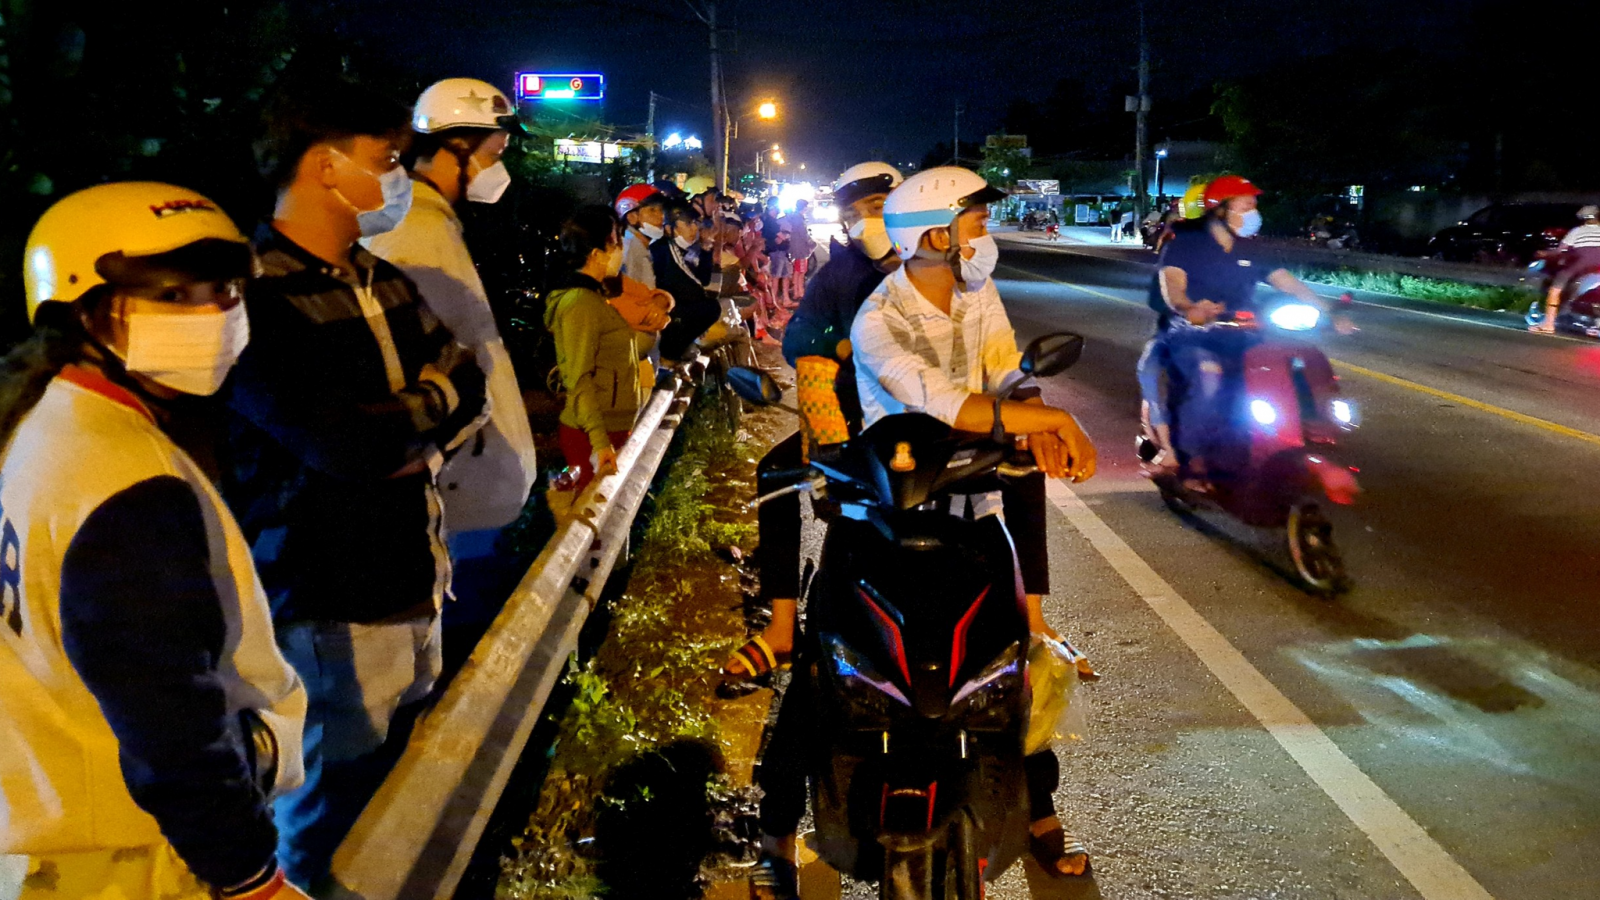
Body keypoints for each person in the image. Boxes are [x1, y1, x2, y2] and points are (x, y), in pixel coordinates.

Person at [753, 168, 1099, 893]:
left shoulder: (980, 297)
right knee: (824, 679)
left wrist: (1029, 410)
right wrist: (1048, 419)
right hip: (878, 507)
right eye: (975, 223)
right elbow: (928, 397)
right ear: (936, 235)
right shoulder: (872, 307)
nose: (985, 236)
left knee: (1005, 671)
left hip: (970, 511)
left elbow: (1002, 375)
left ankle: (1037, 807)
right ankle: (777, 834)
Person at [1, 182, 310, 900]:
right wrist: (251, 878)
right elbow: (172, 725)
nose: (215, 315)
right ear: (78, 309)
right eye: (175, 296)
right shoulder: (125, 481)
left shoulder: (46, 422)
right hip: (140, 860)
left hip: (59, 843)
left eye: (228, 291)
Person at [224, 79, 488, 889]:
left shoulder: (381, 278)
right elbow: (343, 443)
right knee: (325, 826)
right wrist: (416, 417)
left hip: (416, 576)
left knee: (395, 803)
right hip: (325, 606)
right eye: (386, 161)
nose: (397, 177)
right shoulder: (256, 296)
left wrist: (410, 419)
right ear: (325, 167)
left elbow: (466, 378)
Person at [722, 162, 903, 684]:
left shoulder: (938, 264)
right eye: (855, 215)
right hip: (851, 422)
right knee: (775, 478)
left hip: (934, 418)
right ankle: (783, 627)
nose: (867, 223)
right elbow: (800, 338)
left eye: (876, 210)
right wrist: (836, 344)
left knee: (1015, 477)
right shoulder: (839, 271)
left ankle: (1032, 619)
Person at [364, 77, 538, 546]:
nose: (497, 170)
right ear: (455, 146)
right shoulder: (416, 233)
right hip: (449, 501)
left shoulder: (430, 224)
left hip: (464, 495)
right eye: (493, 156)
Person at [1157, 174, 1344, 485]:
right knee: (1208, 375)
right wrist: (1190, 307)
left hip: (1243, 333)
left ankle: (1298, 438)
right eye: (1246, 204)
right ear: (1220, 209)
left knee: (1296, 364)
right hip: (1192, 333)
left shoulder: (1252, 249)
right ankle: (1191, 459)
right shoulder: (1187, 245)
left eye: (1254, 203)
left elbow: (1288, 282)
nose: (1254, 210)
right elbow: (1173, 287)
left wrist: (1330, 312)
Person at [544, 206, 652, 492]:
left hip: (608, 427)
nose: (620, 249)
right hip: (590, 434)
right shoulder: (581, 303)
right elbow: (579, 378)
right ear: (594, 254)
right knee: (589, 523)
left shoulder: (597, 296)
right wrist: (599, 441)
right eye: (614, 243)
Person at [1139, 181, 1209, 472]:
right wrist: (1188, 308)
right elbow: (1160, 298)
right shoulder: (1177, 247)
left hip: (1237, 334)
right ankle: (1169, 450)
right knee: (1150, 372)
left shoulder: (1244, 248)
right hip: (1182, 334)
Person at [652, 201, 723, 363]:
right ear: (669, 228)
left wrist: (706, 248)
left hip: (671, 312)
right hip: (663, 317)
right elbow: (695, 287)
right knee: (711, 308)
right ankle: (670, 356)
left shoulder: (679, 249)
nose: (695, 229)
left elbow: (702, 280)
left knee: (709, 307)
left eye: (694, 223)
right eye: (688, 223)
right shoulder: (664, 249)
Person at [1532, 205, 1600, 334]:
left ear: (1582, 219)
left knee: (1555, 289)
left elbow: (1560, 250)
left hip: (1582, 263)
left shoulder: (1576, 231)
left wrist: (1544, 253)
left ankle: (1548, 324)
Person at [615, 183, 666, 289]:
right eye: (652, 210)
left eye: (661, 210)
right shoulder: (630, 248)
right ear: (632, 217)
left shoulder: (637, 244)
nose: (661, 216)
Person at [781, 199, 815, 299]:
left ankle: (799, 290)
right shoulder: (798, 219)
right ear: (804, 207)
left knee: (799, 270)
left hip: (797, 247)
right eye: (806, 207)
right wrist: (812, 243)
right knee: (800, 271)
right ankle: (798, 291)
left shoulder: (795, 217)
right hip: (800, 248)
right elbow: (804, 234)